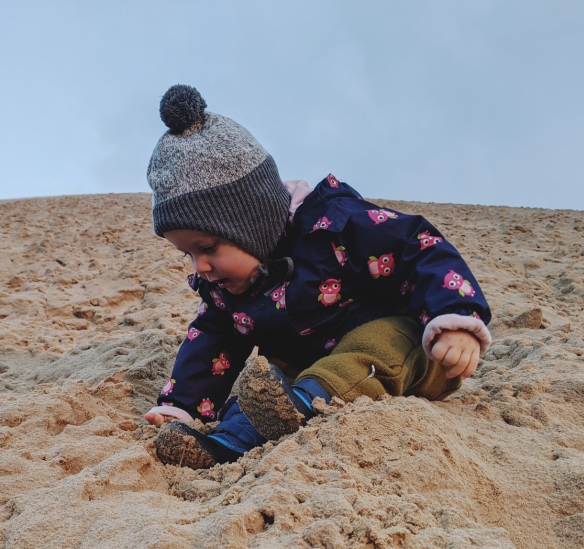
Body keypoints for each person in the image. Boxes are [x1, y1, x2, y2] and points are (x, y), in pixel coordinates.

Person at [144, 85, 492, 469]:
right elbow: (210, 343)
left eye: (208, 248)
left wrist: (455, 319)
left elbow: (417, 246)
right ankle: (229, 442)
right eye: (188, 254)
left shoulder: (334, 226)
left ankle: (311, 401)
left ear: (253, 224)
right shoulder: (226, 289)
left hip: (413, 353)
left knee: (376, 340)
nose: (201, 267)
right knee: (267, 376)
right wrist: (180, 408)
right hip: (304, 370)